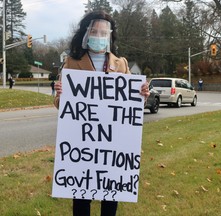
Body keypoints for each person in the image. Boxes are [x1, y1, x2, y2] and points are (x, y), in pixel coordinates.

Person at [53, 10, 150, 216]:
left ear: (110, 35)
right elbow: (61, 105)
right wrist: (61, 94)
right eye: (94, 31)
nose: (99, 36)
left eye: (103, 32)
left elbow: (131, 105)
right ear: (85, 34)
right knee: (81, 196)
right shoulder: (71, 62)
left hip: (112, 145)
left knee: (110, 194)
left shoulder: (121, 63)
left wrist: (142, 94)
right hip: (82, 143)